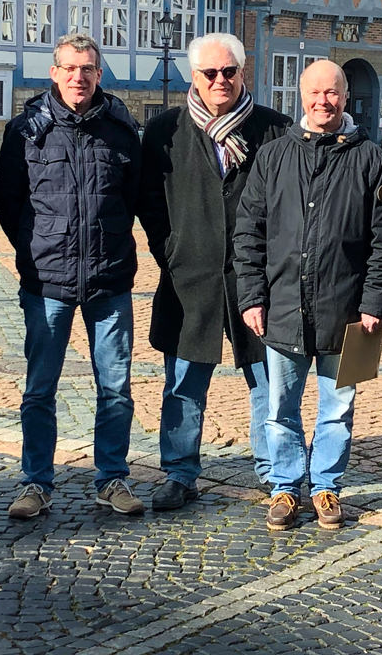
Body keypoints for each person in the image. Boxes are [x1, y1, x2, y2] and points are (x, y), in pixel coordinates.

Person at [234, 59, 382, 532]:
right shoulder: (274, 155)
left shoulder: (371, 156)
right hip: (282, 307)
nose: (323, 101)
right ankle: (285, 487)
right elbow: (250, 231)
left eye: (333, 93)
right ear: (301, 96)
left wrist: (374, 302)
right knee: (279, 408)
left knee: (338, 409)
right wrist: (251, 296)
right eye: (315, 92)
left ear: (345, 97)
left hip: (348, 312)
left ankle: (326, 485)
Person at [137, 33, 291, 511]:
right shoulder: (166, 130)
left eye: (230, 71)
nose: (220, 80)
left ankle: (273, 472)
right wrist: (173, 252)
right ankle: (180, 472)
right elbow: (148, 202)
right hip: (189, 279)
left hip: (257, 281)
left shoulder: (274, 129)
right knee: (183, 382)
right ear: (194, 77)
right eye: (210, 73)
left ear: (243, 72)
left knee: (267, 381)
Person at [0, 33, 143, 520]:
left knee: (116, 388)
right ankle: (36, 482)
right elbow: (10, 203)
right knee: (40, 388)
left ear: (99, 75)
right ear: (54, 74)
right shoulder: (25, 130)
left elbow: (136, 198)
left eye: (88, 69)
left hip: (109, 280)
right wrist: (36, 252)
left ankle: (112, 477)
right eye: (70, 69)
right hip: (47, 284)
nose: (79, 77)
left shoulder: (121, 130)